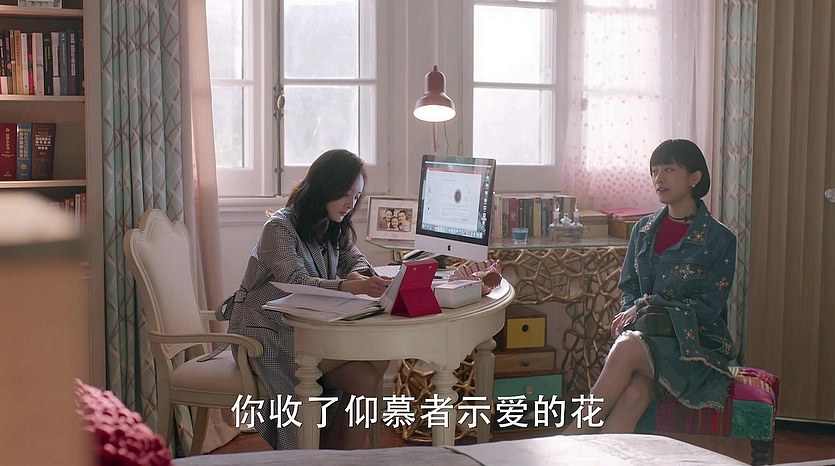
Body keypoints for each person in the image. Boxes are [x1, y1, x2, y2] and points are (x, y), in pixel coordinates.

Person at [564, 139, 737, 434]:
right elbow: (629, 287)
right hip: (645, 338)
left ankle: (569, 439)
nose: (659, 178)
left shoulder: (719, 239)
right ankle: (587, 452)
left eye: (668, 170)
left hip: (694, 347)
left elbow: (708, 308)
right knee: (635, 393)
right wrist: (633, 309)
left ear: (694, 178)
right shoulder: (643, 230)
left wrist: (646, 305)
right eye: (655, 171)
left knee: (626, 347)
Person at [224, 149, 391, 450]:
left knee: (368, 374)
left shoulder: (332, 224)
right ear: (326, 186)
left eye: (356, 197)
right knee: (373, 354)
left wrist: (358, 275)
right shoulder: (279, 227)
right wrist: (352, 287)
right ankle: (322, 449)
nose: (351, 204)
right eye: (346, 194)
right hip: (267, 333)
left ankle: (338, 455)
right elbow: (295, 281)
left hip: (308, 328)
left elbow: (354, 259)